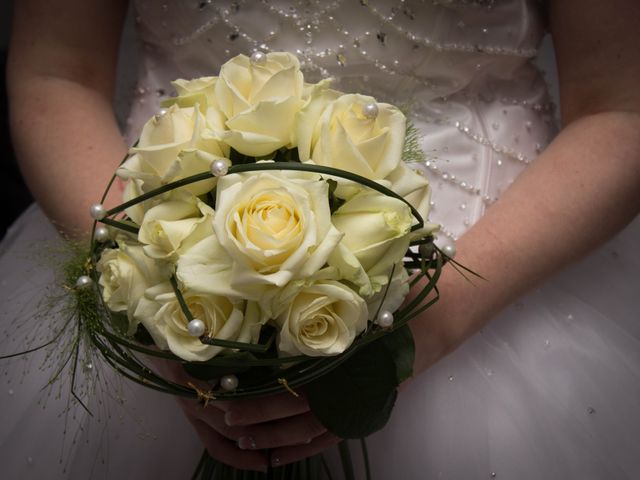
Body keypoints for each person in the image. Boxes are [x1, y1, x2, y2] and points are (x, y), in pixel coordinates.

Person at [2, 0, 639, 478]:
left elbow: (622, 109)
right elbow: (58, 71)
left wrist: (422, 326)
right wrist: (150, 301)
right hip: (156, 264)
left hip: (499, 283)